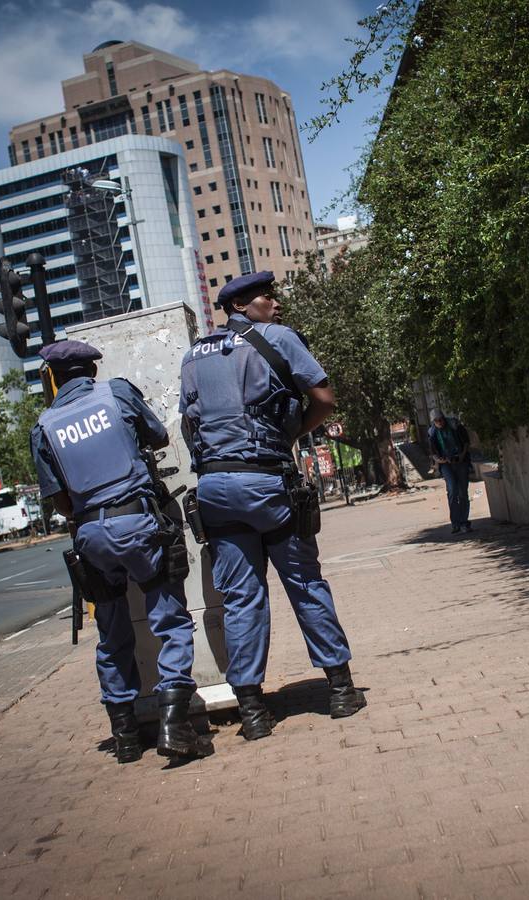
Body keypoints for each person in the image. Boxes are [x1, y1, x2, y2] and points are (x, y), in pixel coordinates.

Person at [179, 271, 366, 740]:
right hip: (267, 484)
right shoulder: (277, 339)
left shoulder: (193, 355)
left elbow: (189, 424)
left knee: (242, 598)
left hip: (216, 491)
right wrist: (294, 433)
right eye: (269, 297)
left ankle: (253, 712)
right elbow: (324, 397)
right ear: (241, 305)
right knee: (304, 582)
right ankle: (341, 690)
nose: (277, 304)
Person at [30, 339, 210, 763]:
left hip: (91, 534)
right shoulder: (117, 393)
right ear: (91, 369)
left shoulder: (45, 425)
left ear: (54, 378)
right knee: (170, 621)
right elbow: (159, 434)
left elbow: (59, 500)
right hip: (139, 523)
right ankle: (174, 723)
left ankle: (126, 736)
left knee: (111, 634)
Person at [428, 410, 473, 533]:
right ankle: (455, 523)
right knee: (452, 490)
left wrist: (462, 455)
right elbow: (433, 453)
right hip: (446, 465)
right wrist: (440, 460)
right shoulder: (432, 433)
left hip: (460, 462)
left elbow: (466, 443)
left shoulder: (455, 425)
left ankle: (464, 522)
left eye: (441, 419)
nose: (439, 422)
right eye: (436, 421)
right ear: (433, 422)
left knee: (463, 492)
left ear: (443, 418)